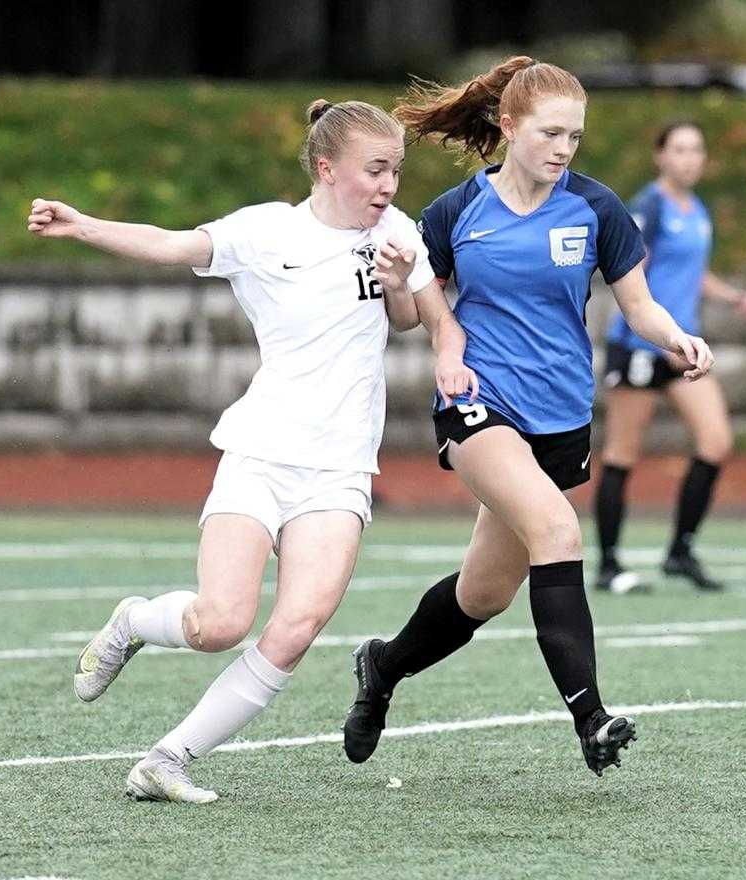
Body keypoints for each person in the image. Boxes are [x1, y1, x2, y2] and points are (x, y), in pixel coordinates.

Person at [27, 99, 477, 803]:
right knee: (220, 623)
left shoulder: (398, 232)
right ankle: (133, 621)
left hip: (340, 468)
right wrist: (82, 225)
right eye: (376, 170)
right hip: (262, 453)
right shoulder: (266, 231)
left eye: (396, 170)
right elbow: (171, 243)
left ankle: (168, 759)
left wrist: (408, 298)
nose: (389, 185)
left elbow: (422, 319)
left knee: (294, 631)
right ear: (327, 169)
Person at [340, 58, 714, 777]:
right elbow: (415, 311)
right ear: (508, 126)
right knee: (556, 529)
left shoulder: (596, 207)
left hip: (562, 414)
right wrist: (395, 286)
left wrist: (678, 339)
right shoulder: (454, 213)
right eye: (550, 132)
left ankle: (383, 666)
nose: (563, 148)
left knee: (484, 593)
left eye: (574, 136)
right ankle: (591, 718)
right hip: (477, 405)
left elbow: (638, 305)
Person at [595, 121, 746, 594]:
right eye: (679, 149)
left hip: (682, 351)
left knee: (716, 440)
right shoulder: (649, 206)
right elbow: (631, 273)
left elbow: (691, 270)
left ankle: (680, 551)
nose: (689, 158)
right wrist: (656, 339)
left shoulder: (698, 210)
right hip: (640, 350)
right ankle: (608, 564)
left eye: (697, 149)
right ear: (660, 157)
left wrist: (732, 297)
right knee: (622, 454)